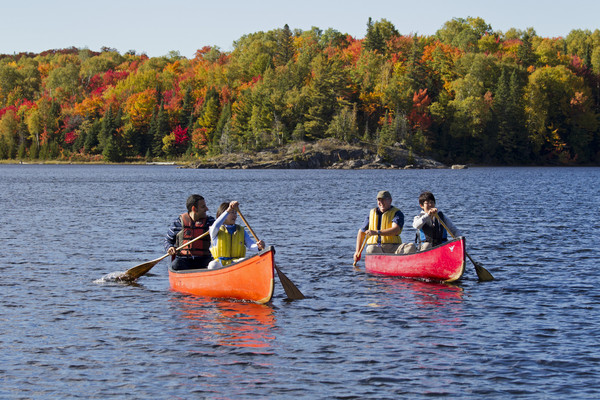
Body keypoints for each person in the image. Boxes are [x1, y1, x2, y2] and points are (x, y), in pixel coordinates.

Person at [353, 190, 415, 264]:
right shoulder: (372, 213)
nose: (381, 203)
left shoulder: (397, 213)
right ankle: (385, 264)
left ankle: (398, 264)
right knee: (371, 249)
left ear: (390, 200)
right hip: (378, 248)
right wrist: (357, 252)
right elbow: (361, 232)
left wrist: (376, 232)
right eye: (379, 200)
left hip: (394, 247)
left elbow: (395, 230)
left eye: (384, 200)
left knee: (411, 247)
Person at [207, 201, 265, 269]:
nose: (235, 215)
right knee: (212, 264)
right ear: (223, 214)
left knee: (244, 261)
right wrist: (228, 209)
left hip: (235, 263)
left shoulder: (241, 230)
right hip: (220, 264)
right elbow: (215, 225)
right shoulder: (215, 230)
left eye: (235, 213)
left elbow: (250, 245)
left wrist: (258, 246)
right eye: (232, 212)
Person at [164, 194, 215, 270]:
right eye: (203, 207)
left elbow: (223, 227)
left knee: (214, 265)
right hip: (183, 260)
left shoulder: (210, 222)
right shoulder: (178, 223)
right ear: (194, 209)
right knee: (176, 265)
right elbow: (167, 240)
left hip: (204, 260)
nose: (206, 209)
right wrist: (170, 247)